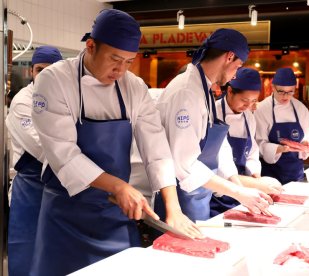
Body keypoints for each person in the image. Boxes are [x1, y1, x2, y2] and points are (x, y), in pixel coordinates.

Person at [30, 9, 200, 276]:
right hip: (65, 214)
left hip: (116, 212)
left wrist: (173, 207)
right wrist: (119, 185)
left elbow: (156, 149)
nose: (120, 70)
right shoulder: (54, 81)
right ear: (90, 46)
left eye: (129, 62)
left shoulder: (134, 87)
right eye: (115, 59)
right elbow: (64, 154)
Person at [154, 28, 273, 222]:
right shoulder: (187, 92)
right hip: (179, 196)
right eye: (238, 66)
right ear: (229, 57)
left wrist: (239, 187)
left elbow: (218, 146)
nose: (235, 75)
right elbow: (184, 164)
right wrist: (237, 192)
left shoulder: (204, 89)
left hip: (199, 193)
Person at [5, 46, 63, 276]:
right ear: (31, 72)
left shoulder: (63, 99)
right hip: (31, 188)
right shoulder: (22, 102)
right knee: (28, 253)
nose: (45, 75)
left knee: (53, 254)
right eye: (40, 70)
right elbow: (44, 149)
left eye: (51, 71)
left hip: (58, 186)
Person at [210, 67, 282, 216]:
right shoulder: (212, 113)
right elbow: (219, 159)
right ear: (230, 91)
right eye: (244, 100)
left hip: (242, 191)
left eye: (253, 101)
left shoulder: (248, 117)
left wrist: (256, 177)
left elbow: (252, 152)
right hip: (216, 192)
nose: (248, 106)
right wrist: (250, 185)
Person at [255, 67, 309, 184]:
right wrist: (279, 149)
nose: (286, 96)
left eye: (290, 91)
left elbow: (308, 135)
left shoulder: (301, 109)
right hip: (270, 175)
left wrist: (307, 144)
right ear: (273, 87)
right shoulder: (262, 109)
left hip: (296, 174)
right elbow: (258, 143)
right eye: (281, 91)